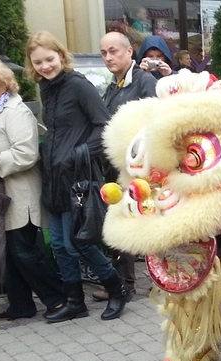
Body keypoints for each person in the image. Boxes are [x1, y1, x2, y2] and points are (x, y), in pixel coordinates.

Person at [25, 31, 130, 322]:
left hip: (79, 178)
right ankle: (75, 301)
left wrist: (78, 153)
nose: (45, 66)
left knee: (79, 242)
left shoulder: (78, 86)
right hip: (55, 177)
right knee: (59, 244)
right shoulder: (46, 87)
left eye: (49, 59)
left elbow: (104, 126)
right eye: (39, 62)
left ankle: (117, 289)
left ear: (61, 55)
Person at [0, 58, 66, 321]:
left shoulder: (15, 112)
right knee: (8, 253)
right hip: (0, 199)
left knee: (24, 252)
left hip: (19, 196)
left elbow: (26, 154)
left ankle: (57, 300)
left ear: (2, 85)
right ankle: (21, 305)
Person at [95, 31, 158, 304]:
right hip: (117, 168)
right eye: (104, 53)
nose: (109, 57)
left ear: (129, 52)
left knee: (148, 223)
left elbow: (157, 122)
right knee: (123, 220)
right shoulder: (113, 86)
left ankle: (162, 282)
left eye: (114, 51)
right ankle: (124, 283)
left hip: (143, 170)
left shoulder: (145, 82)